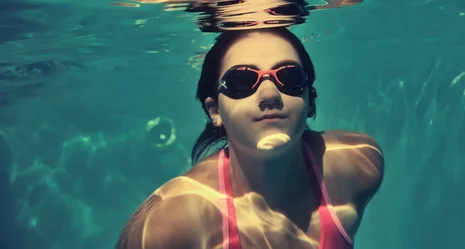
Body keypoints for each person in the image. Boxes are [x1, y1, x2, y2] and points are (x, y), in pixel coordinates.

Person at [116, 27, 384, 249]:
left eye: (288, 77)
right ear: (215, 110)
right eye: (242, 81)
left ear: (308, 97)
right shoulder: (171, 224)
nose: (270, 94)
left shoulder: (357, 165)